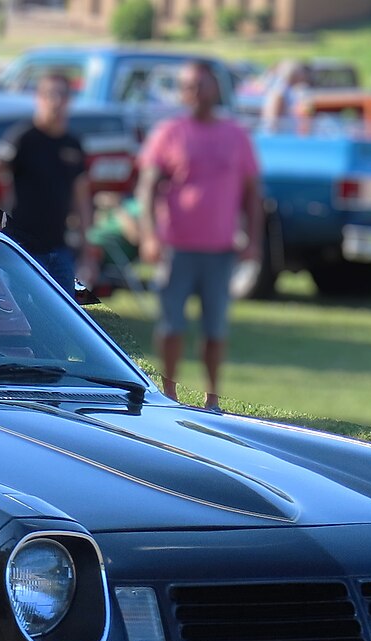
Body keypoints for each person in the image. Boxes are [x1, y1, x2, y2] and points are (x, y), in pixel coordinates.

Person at [135, 60, 261, 411]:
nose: (195, 93)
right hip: (176, 247)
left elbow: (252, 194)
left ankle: (212, 397)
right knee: (171, 325)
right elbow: (147, 187)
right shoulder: (169, 134)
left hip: (220, 249)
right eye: (188, 87)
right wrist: (149, 235)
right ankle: (169, 393)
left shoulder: (236, 136)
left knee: (215, 328)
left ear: (216, 89)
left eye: (201, 85)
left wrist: (253, 240)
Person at [0, 72, 95, 295]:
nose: (56, 102)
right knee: (19, 312)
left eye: (62, 95)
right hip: (23, 248)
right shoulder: (23, 138)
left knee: (61, 312)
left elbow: (81, 199)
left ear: (69, 100)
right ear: (39, 98)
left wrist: (87, 250)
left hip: (60, 250)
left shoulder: (72, 144)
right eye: (50, 95)